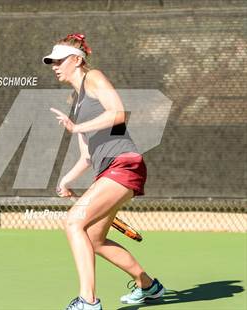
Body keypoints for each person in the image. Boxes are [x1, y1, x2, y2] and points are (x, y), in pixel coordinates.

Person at [43, 33, 165, 310]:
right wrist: (66, 179)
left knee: (74, 221)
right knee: (95, 239)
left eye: (59, 60)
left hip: (124, 163)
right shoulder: (76, 101)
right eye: (52, 62)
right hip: (108, 169)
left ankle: (88, 302)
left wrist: (76, 128)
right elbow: (87, 154)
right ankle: (149, 286)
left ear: (77, 60)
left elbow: (118, 113)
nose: (54, 66)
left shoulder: (94, 77)